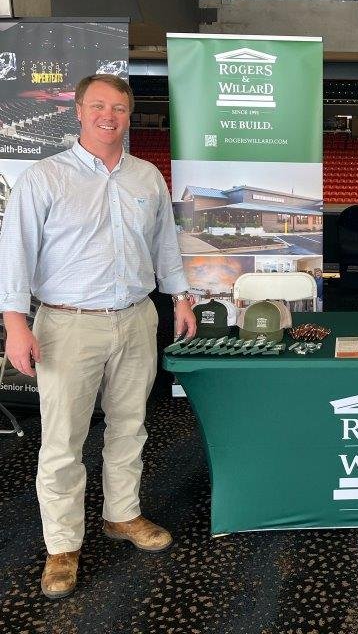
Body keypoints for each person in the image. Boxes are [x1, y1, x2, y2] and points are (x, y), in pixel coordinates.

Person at [0, 74, 196, 599]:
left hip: (136, 318)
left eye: (119, 108)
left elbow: (165, 244)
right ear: (80, 111)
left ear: (129, 116)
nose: (109, 116)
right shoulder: (45, 178)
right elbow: (14, 253)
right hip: (67, 324)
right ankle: (62, 546)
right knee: (63, 439)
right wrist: (15, 323)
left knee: (130, 425)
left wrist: (180, 296)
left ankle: (122, 514)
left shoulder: (146, 177)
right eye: (98, 106)